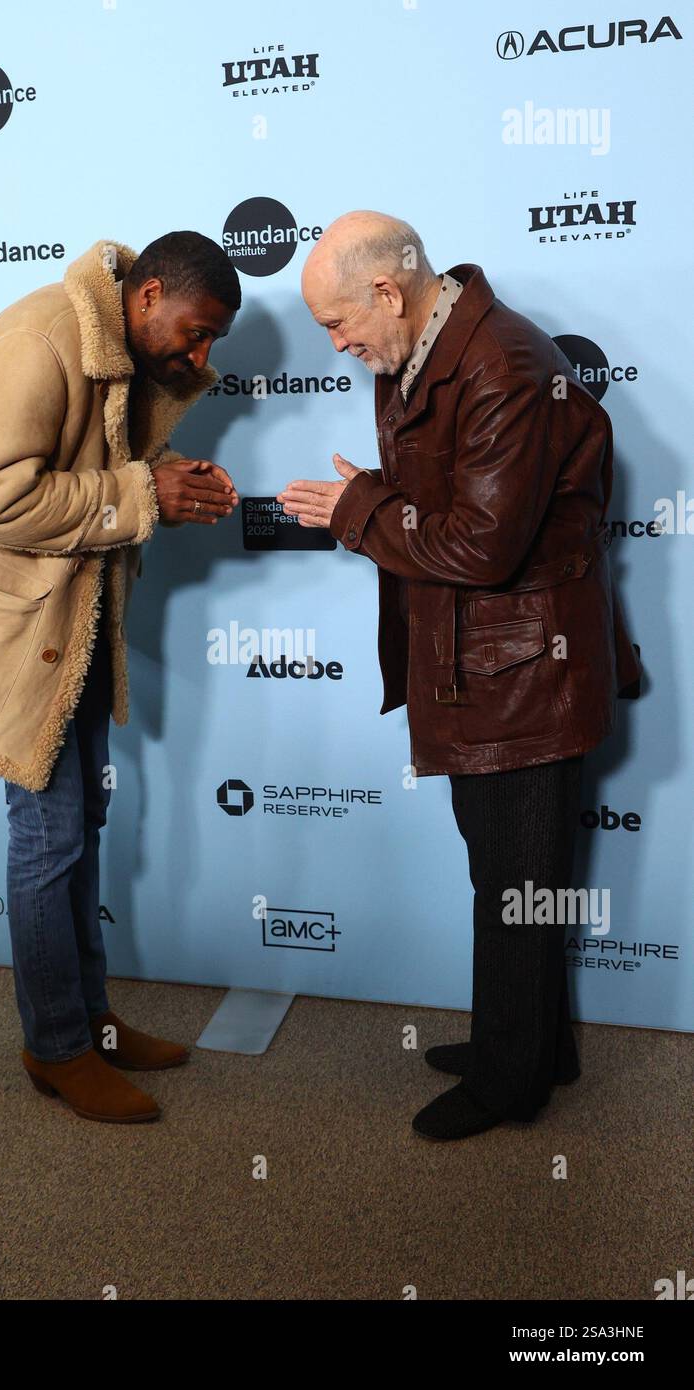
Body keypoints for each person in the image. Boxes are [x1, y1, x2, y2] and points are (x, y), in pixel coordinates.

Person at [278, 210, 640, 1141]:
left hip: (523, 668)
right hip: (489, 662)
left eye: (338, 322)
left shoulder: (502, 367)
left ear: (389, 293)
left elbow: (481, 548)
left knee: (518, 883)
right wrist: (375, 504)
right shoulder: (431, 351)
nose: (338, 343)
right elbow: (454, 512)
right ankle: (530, 1046)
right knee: (510, 876)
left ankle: (510, 1083)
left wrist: (361, 507)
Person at [0, 232, 241, 1124]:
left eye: (211, 347)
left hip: (71, 624)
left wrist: (154, 482)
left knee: (79, 823)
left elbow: (107, 471)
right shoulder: (41, 341)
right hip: (12, 630)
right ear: (149, 293)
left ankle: (91, 1025)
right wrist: (141, 495)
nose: (199, 359)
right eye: (194, 334)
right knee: (49, 839)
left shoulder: (117, 345)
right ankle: (56, 1047)